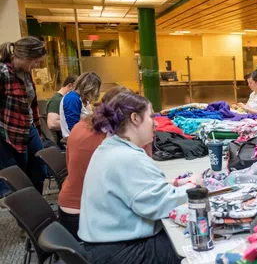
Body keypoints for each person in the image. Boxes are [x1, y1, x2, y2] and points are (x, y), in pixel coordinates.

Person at [78, 91, 192, 264]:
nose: (156, 123)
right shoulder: (127, 157)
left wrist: (177, 184)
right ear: (135, 118)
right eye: (152, 116)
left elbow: (140, 190)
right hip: (119, 256)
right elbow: (159, 204)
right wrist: (196, 189)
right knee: (195, 244)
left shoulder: (112, 147)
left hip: (104, 249)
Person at [58, 86, 151, 239]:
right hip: (86, 218)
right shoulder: (115, 137)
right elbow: (146, 177)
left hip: (68, 209)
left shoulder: (81, 125)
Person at [0, 36, 48, 195]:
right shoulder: (3, 73)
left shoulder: (26, 73)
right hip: (9, 133)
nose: (38, 65)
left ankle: (37, 206)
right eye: (36, 61)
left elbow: (32, 105)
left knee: (39, 170)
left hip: (29, 128)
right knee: (19, 178)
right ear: (26, 57)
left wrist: (38, 131)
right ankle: (27, 213)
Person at [60, 71, 101, 138]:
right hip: (76, 139)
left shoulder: (81, 98)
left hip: (83, 136)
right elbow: (73, 127)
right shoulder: (72, 98)